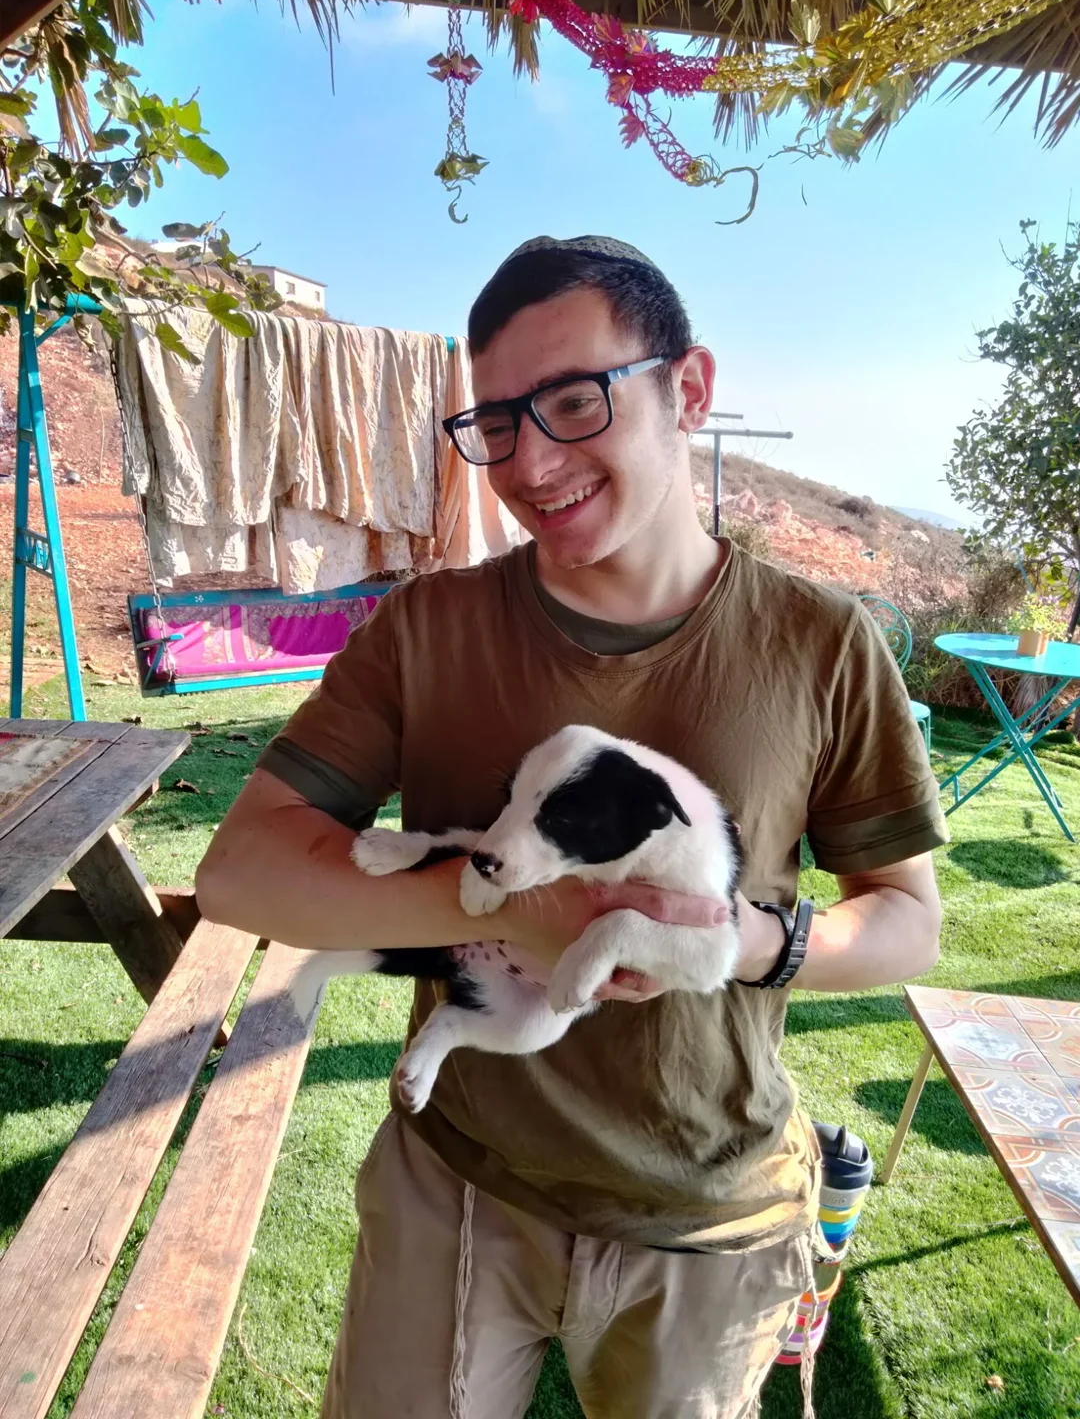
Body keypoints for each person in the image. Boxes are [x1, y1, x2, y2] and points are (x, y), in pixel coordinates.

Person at [196, 235, 947, 1419]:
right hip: (457, 1178)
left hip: (706, 1212)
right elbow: (239, 871)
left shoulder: (822, 643)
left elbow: (907, 922)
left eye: (571, 401)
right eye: (494, 422)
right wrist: (506, 907)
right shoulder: (428, 628)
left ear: (686, 389)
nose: (528, 460)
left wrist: (754, 945)